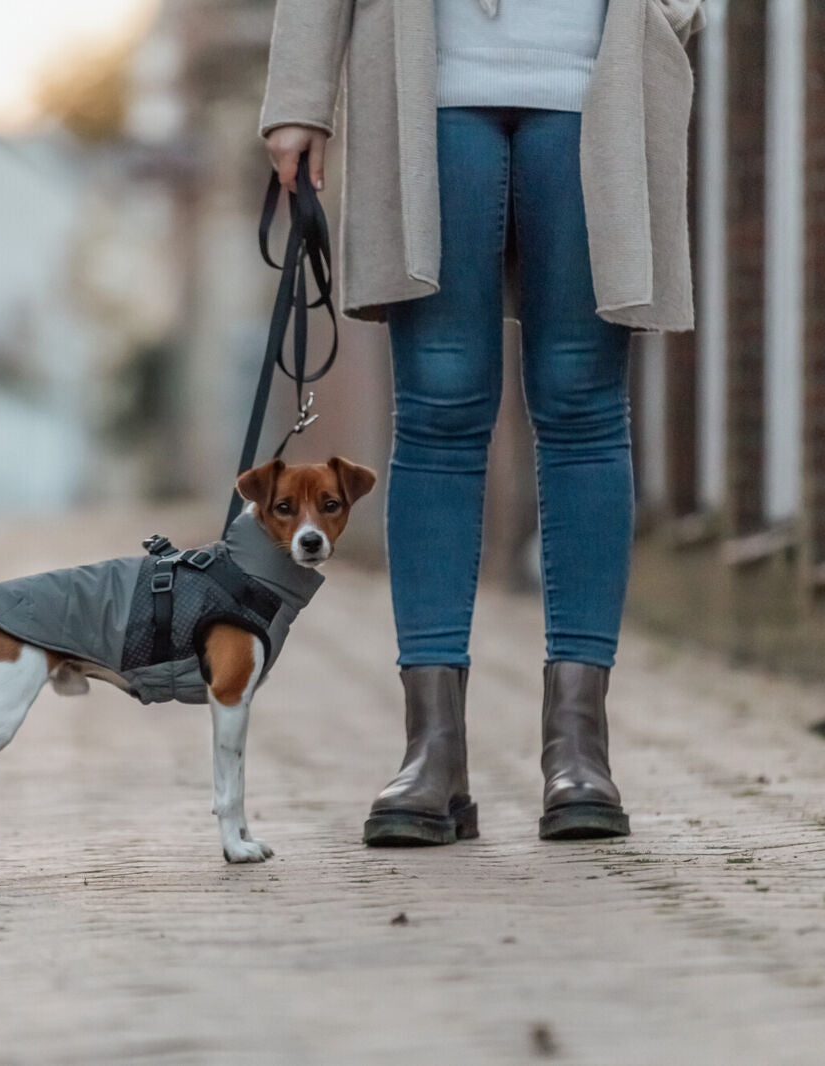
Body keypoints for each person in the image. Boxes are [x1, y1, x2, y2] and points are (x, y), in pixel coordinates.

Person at [259, 0, 705, 845]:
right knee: (438, 406)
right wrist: (298, 97)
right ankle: (433, 752)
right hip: (429, 84)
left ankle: (579, 746)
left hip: (593, 78)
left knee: (581, 401)